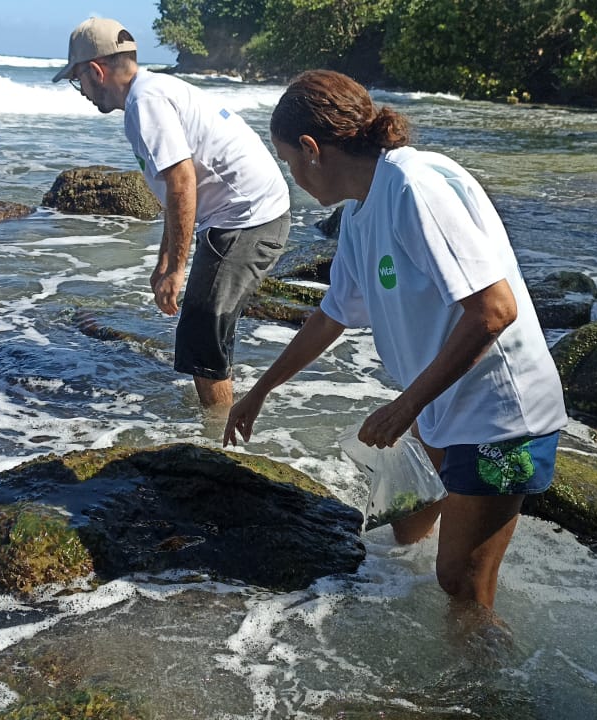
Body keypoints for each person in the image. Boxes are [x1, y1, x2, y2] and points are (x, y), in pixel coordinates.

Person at [223, 70, 567, 619]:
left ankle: (482, 695)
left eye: (289, 160)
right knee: (403, 532)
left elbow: (495, 310)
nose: (293, 176)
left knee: (460, 583)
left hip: (501, 414)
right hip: (444, 404)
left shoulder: (413, 187)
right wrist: (260, 391)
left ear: (312, 150)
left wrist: (406, 405)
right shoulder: (360, 211)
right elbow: (333, 313)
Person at [52, 17, 291, 414]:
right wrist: (165, 260)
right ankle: (223, 421)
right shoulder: (152, 91)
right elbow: (175, 190)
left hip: (246, 218)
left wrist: (177, 269)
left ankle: (219, 439)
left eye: (79, 80)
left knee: (201, 334)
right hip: (247, 213)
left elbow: (182, 184)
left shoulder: (145, 103)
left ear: (96, 71)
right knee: (207, 330)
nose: (82, 92)